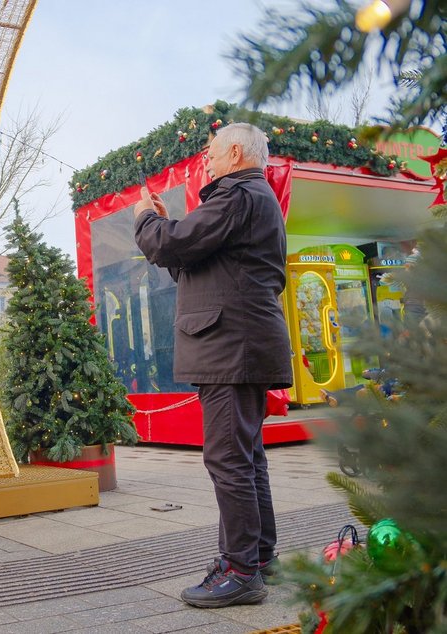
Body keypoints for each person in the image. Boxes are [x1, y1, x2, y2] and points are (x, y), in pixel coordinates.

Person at [133, 123, 293, 609]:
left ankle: (241, 570)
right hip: (240, 344)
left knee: (228, 460)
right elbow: (189, 258)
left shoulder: (239, 193)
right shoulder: (250, 198)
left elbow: (172, 245)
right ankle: (260, 558)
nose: (207, 159)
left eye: (210, 152)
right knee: (246, 458)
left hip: (232, 347)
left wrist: (145, 220)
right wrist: (167, 230)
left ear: (236, 152)